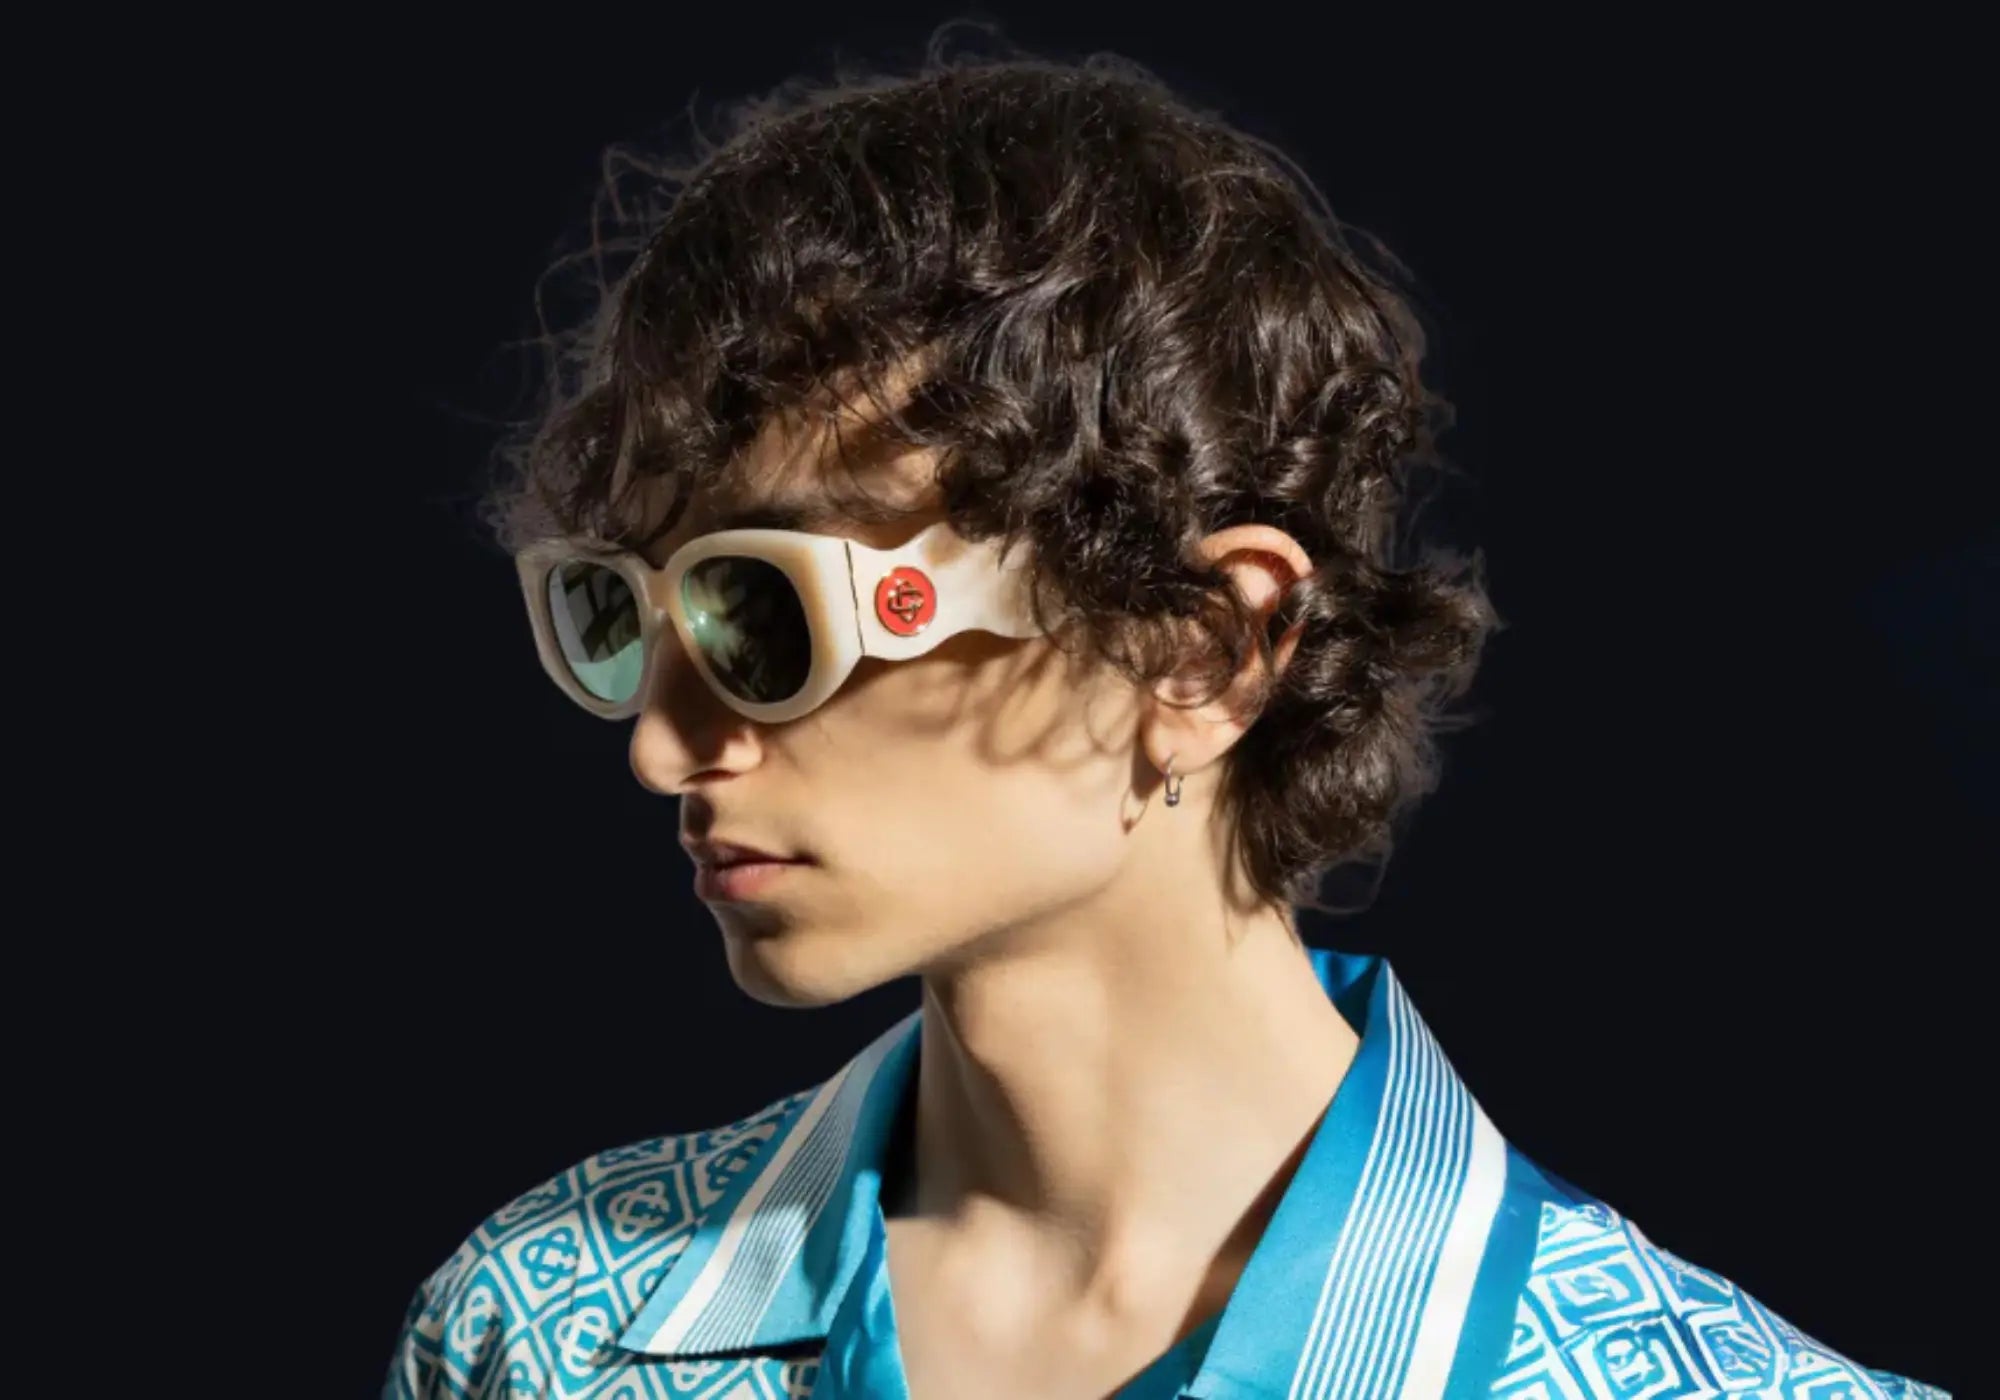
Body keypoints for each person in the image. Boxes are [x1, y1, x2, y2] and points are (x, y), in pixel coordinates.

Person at [383, 30, 1948, 1400]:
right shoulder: (541, 1333)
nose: (663, 746)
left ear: (1200, 649)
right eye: (622, 620)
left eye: (766, 614)